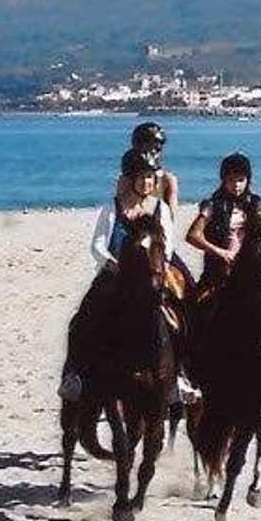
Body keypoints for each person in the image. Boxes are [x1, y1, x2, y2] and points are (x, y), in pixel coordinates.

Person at [60, 148, 178, 401]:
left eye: (150, 177)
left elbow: (168, 243)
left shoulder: (160, 208)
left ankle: (182, 376)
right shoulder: (113, 208)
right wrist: (111, 262)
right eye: (141, 177)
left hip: (151, 276)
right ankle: (74, 375)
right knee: (82, 320)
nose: (147, 182)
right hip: (115, 275)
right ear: (130, 179)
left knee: (179, 318)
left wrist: (161, 265)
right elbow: (98, 243)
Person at [185, 151, 261, 295]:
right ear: (223, 180)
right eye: (231, 180)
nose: (236, 185)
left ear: (248, 180)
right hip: (217, 272)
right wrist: (221, 253)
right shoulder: (212, 205)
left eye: (241, 180)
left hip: (250, 269)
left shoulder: (256, 204)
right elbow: (192, 236)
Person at [123, 122, 180, 220]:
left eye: (158, 148)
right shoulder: (128, 177)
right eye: (152, 147)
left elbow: (171, 217)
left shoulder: (167, 180)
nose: (155, 152)